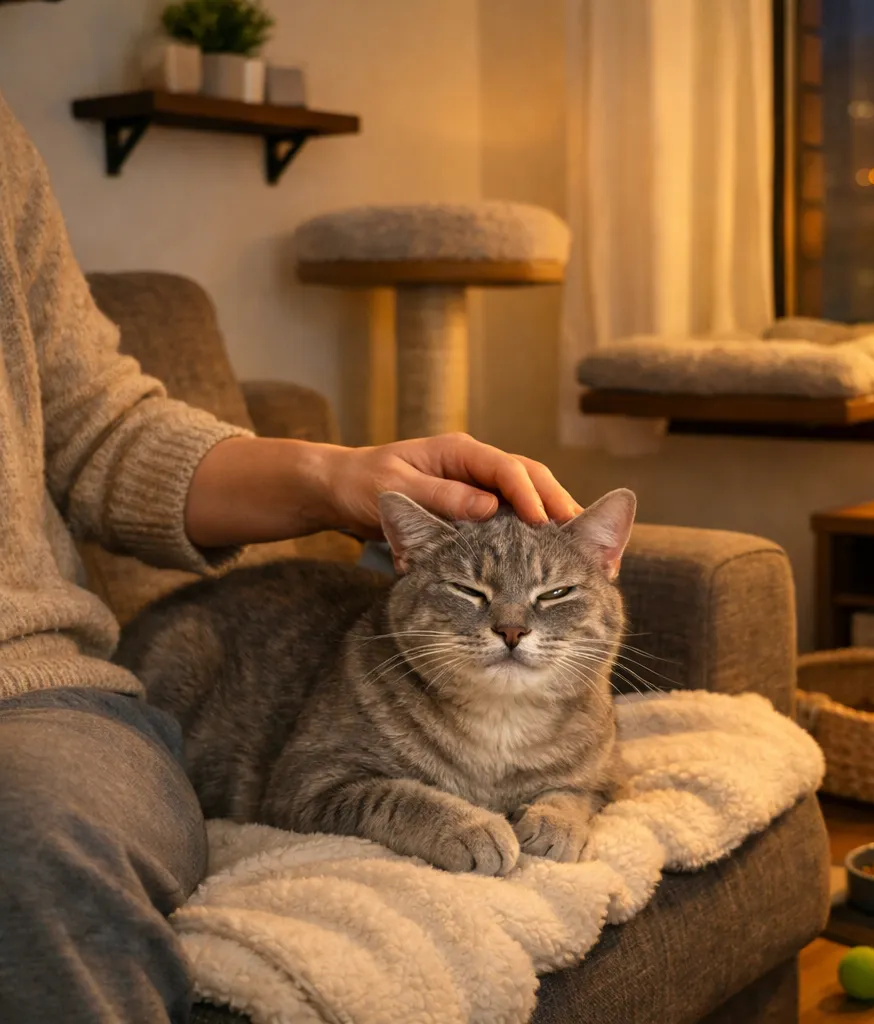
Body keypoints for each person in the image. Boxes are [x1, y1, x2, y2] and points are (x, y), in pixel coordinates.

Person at [0, 90, 580, 1023]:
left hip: (21, 698)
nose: (511, 623)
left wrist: (332, 474)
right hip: (259, 692)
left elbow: (99, 430)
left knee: (28, 842)